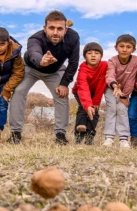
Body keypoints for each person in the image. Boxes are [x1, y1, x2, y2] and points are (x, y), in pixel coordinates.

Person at [8, 10, 80, 145]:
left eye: (60, 29)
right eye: (51, 28)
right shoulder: (35, 39)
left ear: (66, 29)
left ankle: (60, 135)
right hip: (32, 68)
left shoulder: (73, 37)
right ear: (45, 28)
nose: (55, 32)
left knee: (61, 94)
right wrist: (42, 60)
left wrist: (64, 83)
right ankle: (15, 133)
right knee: (19, 91)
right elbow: (33, 52)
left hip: (55, 70)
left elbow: (74, 62)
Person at [104, 34, 137, 149]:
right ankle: (109, 137)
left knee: (122, 109)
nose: (125, 49)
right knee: (112, 109)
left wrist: (124, 96)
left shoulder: (136, 60)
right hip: (111, 88)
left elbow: (131, 79)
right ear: (116, 47)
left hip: (125, 91)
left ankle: (123, 138)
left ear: (133, 49)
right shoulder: (112, 61)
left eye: (128, 47)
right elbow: (109, 75)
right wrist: (115, 86)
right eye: (122, 46)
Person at [72, 42, 108, 145]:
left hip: (95, 92)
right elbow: (83, 88)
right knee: (84, 109)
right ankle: (79, 135)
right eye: (89, 53)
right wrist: (88, 105)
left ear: (101, 56)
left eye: (96, 53)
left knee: (95, 112)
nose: (93, 55)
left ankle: (89, 137)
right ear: (85, 57)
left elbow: (102, 84)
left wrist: (96, 102)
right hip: (80, 91)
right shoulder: (83, 70)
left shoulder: (104, 66)